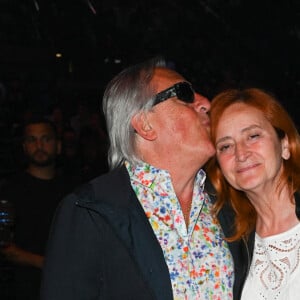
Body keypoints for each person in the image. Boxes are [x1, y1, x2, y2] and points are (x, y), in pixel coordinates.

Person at [40, 57, 238, 300]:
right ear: (145, 124)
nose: (206, 103)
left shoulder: (227, 206)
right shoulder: (90, 210)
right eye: (185, 94)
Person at [206, 88, 300, 299]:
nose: (241, 153)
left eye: (253, 136)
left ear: (284, 144)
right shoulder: (227, 243)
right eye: (226, 146)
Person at [0, 117, 77, 300]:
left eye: (46, 139)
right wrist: (46, 263)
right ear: (24, 147)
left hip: (65, 288)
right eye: (32, 140)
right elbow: (4, 246)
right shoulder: (9, 191)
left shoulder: (73, 192)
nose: (39, 145)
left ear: (58, 146)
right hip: (21, 288)